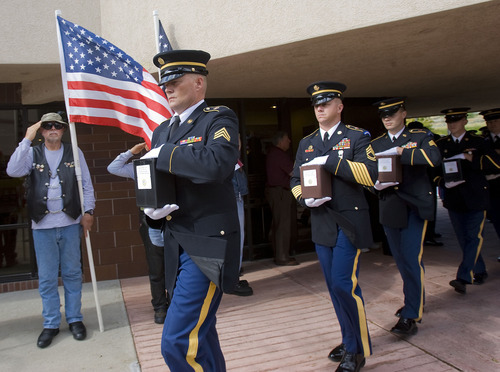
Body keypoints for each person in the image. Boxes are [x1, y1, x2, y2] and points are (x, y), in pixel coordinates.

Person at [145, 50, 240, 371]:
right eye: (164, 85)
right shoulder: (162, 130)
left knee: (177, 342)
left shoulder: (218, 117)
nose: (166, 89)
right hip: (177, 243)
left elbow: (217, 164)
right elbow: (158, 183)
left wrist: (166, 153)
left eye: (174, 81)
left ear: (199, 83)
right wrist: (151, 214)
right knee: (203, 334)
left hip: (208, 243)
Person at [291, 81, 377, 372]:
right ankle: (348, 337)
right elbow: (294, 180)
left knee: (344, 283)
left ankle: (357, 350)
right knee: (333, 287)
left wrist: (332, 162)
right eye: (316, 104)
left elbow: (371, 174)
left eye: (325, 103)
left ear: (339, 107)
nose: (319, 108)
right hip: (322, 222)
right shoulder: (307, 143)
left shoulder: (356, 137)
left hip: (349, 221)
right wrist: (304, 198)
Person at [6, 112, 95, 348]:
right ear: (42, 130)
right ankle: (51, 323)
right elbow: (12, 171)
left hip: (69, 224)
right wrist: (27, 138)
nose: (53, 129)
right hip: (42, 227)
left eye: (57, 125)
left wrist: (89, 212)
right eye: (47, 126)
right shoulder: (32, 153)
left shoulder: (75, 152)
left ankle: (75, 319)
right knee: (46, 279)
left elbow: (86, 184)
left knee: (73, 274)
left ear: (63, 130)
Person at [371, 98, 441, 336]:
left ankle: (411, 314)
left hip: (414, 206)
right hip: (390, 206)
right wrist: (375, 185)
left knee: (411, 257)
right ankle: (414, 300)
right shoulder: (376, 144)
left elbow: (434, 158)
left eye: (392, 113)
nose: (387, 118)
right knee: (402, 260)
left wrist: (402, 152)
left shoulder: (419, 136)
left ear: (404, 113)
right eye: (383, 115)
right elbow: (369, 175)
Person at [436, 108, 500, 293]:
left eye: (456, 120)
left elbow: (495, 163)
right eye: (449, 121)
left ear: (465, 121)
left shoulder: (478, 142)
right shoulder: (442, 144)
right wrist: (441, 182)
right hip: (454, 198)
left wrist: (470, 157)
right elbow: (435, 170)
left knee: (473, 237)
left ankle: (463, 277)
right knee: (464, 239)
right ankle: (478, 269)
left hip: (476, 197)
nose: (452, 124)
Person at [107, 142, 170, 324]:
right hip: (150, 221)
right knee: (156, 268)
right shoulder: (141, 167)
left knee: (175, 267)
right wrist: (130, 152)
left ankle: (175, 304)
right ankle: (160, 307)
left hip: (175, 220)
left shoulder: (174, 163)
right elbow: (113, 168)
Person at [406, 120, 443, 247]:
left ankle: (429, 234)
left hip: (428, 180)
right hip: (417, 182)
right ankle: (427, 235)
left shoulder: (428, 140)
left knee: (428, 210)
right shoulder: (406, 143)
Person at [265, 131, 299, 266]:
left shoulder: (273, 153)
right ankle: (282, 257)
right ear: (280, 141)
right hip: (280, 192)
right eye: (287, 139)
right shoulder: (279, 154)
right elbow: (293, 172)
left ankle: (280, 254)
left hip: (276, 192)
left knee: (279, 224)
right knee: (283, 225)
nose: (289, 141)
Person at [231, 136, 254, 296]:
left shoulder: (233, 158)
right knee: (235, 240)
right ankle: (232, 280)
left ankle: (233, 276)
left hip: (236, 198)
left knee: (238, 239)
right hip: (231, 200)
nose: (239, 144)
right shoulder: (225, 157)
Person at [479, 108, 500, 262]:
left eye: (495, 120)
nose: (492, 124)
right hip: (492, 188)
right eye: (489, 121)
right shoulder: (483, 142)